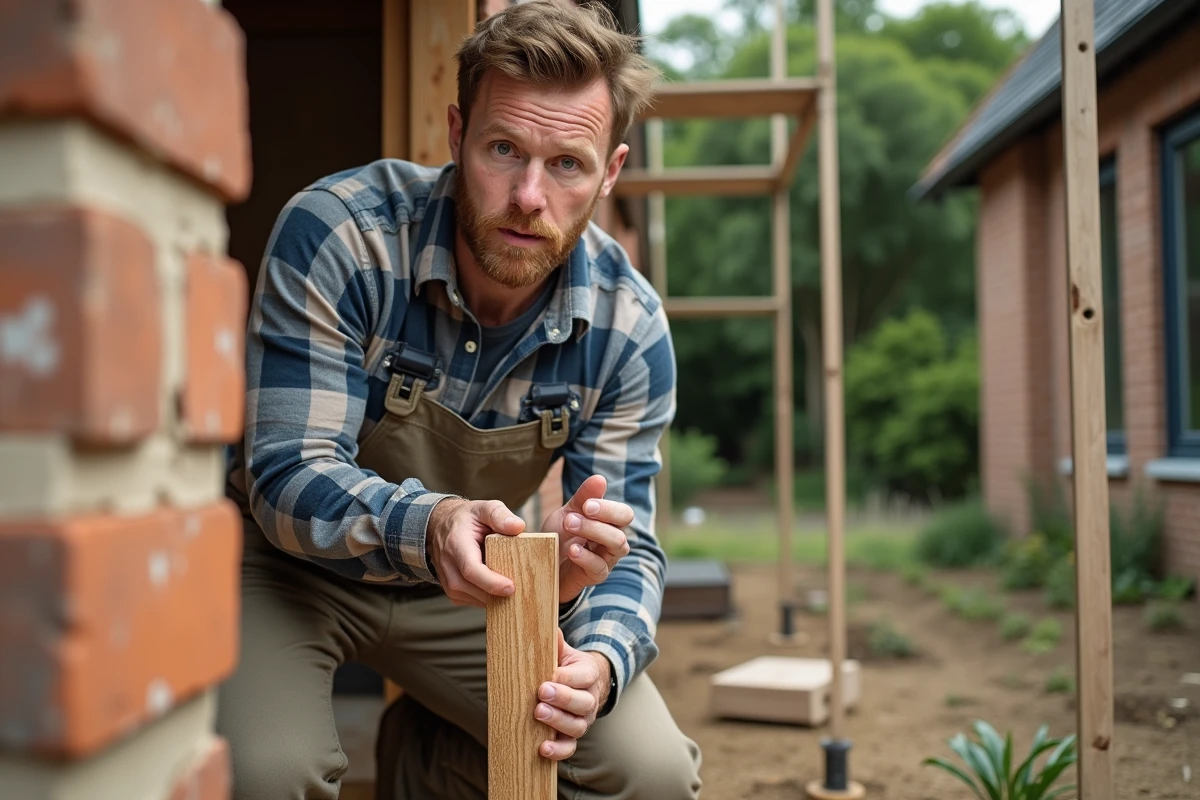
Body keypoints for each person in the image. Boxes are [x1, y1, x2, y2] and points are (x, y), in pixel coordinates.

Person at [216, 2, 702, 798]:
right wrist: (432, 522)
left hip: (479, 592)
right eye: (503, 149)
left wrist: (603, 659)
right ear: (456, 133)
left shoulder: (630, 326)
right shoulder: (342, 233)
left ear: (611, 172)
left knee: (647, 773)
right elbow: (283, 471)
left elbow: (635, 548)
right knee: (265, 771)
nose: (528, 197)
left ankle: (431, 754)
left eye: (568, 164)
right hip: (289, 567)